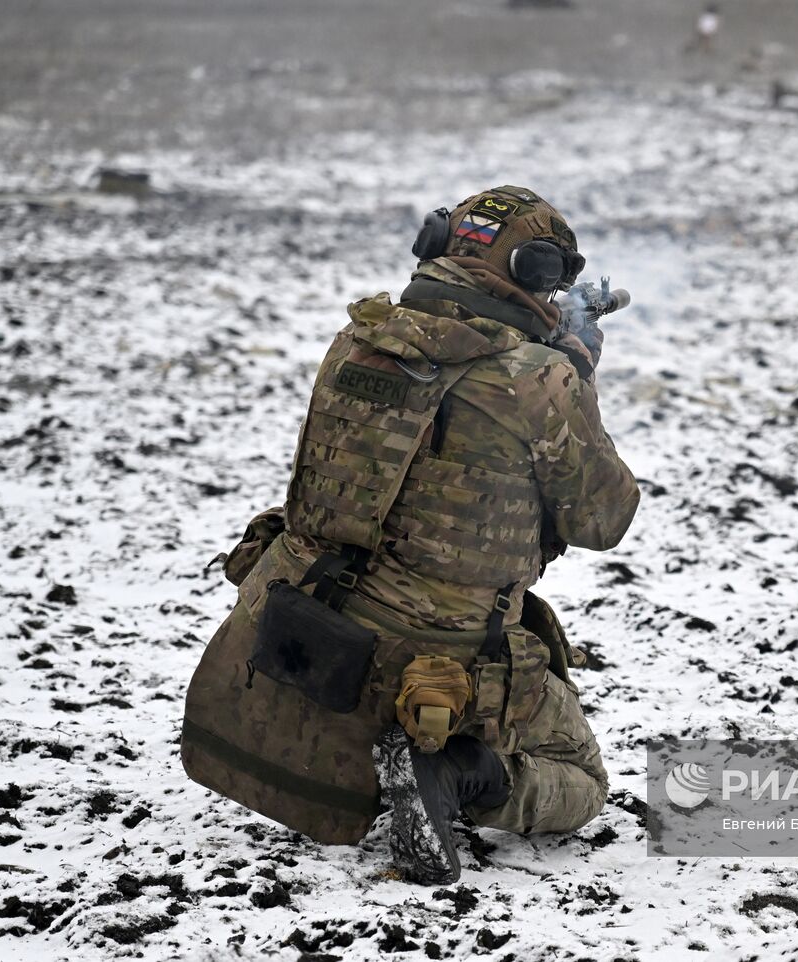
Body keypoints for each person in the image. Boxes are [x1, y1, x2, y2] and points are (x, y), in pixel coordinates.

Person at [180, 185, 639, 885]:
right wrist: (574, 373)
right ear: (537, 274)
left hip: (292, 628)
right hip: (428, 666)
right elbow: (605, 519)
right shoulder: (540, 380)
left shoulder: (357, 339)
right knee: (581, 782)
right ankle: (454, 768)